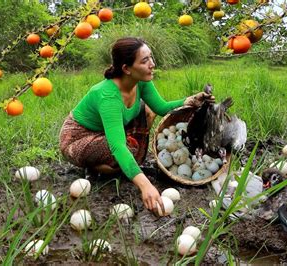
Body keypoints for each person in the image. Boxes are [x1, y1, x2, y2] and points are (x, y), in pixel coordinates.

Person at [59, 37, 213, 214]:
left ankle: (127, 166)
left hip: (106, 131)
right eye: (145, 60)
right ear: (126, 68)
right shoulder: (108, 96)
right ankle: (97, 168)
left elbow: (161, 108)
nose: (152, 64)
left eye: (151, 58)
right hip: (78, 137)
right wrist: (145, 186)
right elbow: (117, 146)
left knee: (146, 111)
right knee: (123, 152)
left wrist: (191, 101)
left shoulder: (141, 82)